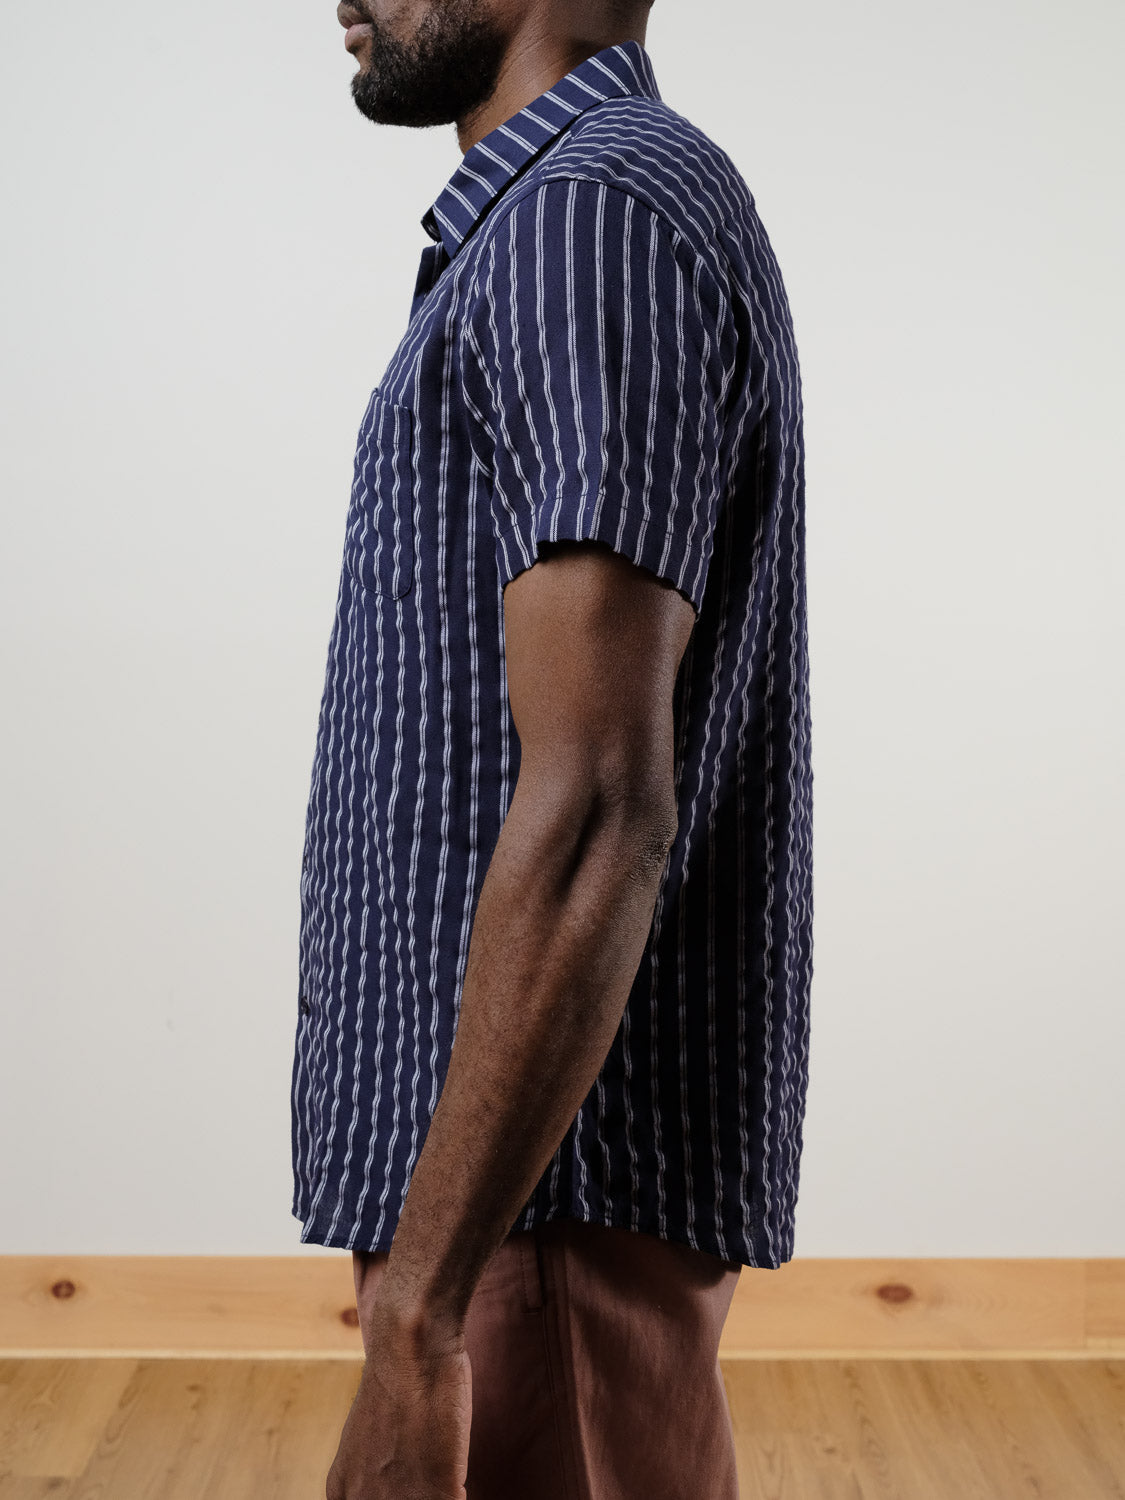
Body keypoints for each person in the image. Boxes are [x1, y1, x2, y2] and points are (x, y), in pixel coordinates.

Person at [290, 0, 813, 1494]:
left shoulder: (587, 219)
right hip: (520, 1197)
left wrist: (416, 1320)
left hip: (543, 1206)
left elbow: (598, 806)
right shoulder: (572, 210)